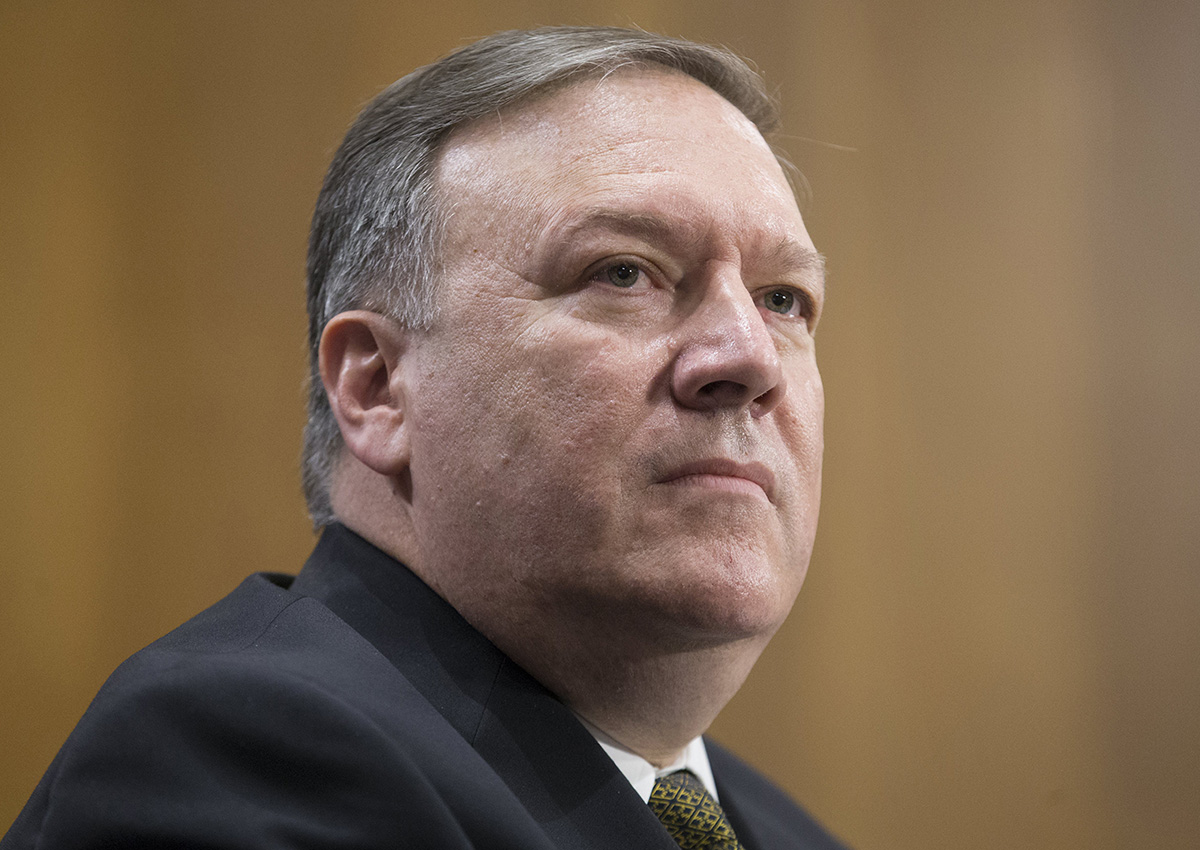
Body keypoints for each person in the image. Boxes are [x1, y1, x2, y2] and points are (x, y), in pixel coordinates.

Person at [3, 26, 845, 850]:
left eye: (782, 299)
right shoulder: (244, 756)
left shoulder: (784, 833)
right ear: (376, 387)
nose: (749, 358)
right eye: (623, 272)